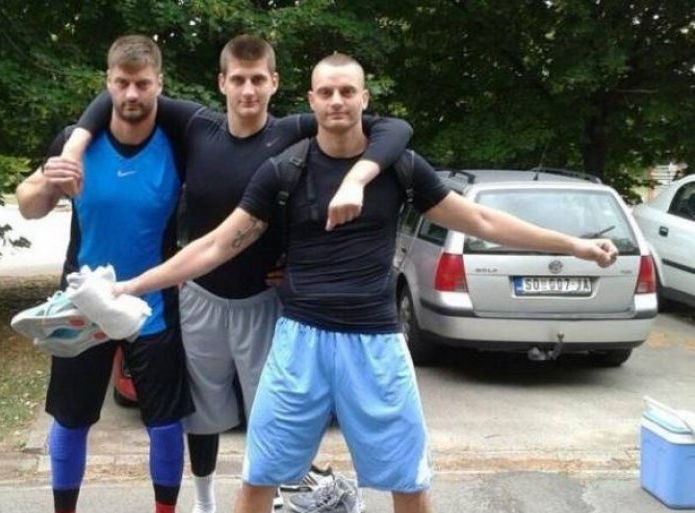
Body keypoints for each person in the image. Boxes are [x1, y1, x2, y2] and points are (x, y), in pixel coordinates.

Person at [110, 53, 621, 513]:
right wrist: (135, 286)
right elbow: (215, 245)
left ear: (364, 98)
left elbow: (481, 220)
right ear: (311, 100)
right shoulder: (283, 170)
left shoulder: (399, 167)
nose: (337, 101)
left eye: (347, 91)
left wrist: (573, 246)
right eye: (326, 92)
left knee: (408, 481)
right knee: (259, 476)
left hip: (376, 343)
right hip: (299, 342)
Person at [61, 35, 412, 513]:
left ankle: (282, 496)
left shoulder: (292, 131)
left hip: (263, 298)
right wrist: (76, 144)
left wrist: (356, 179)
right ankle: (205, 502)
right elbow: (120, 92)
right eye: (239, 80)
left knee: (271, 414)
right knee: (201, 415)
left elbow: (394, 128)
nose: (248, 91)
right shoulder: (197, 125)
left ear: (274, 83)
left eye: (258, 80)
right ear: (222, 82)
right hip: (201, 294)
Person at [16, 35, 194, 513]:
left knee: (165, 423)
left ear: (159, 83)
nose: (132, 94)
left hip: (151, 304)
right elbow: (28, 205)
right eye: (122, 82)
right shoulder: (76, 143)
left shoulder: (178, 143)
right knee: (71, 419)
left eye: (142, 83)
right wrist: (48, 182)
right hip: (82, 303)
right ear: (107, 83)